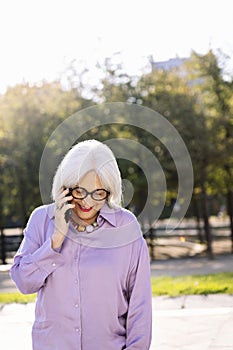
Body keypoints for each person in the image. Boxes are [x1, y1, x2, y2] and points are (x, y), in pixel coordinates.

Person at [10, 139, 152, 350]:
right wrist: (56, 238)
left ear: (109, 191)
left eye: (99, 193)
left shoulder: (126, 226)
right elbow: (24, 282)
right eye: (79, 191)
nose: (88, 202)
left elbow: (140, 305)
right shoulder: (41, 219)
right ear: (66, 187)